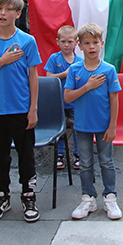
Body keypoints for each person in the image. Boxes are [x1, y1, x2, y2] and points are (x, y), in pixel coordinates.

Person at [0, 0, 42, 223]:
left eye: (8, 9)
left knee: (26, 153)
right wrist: (1, 61)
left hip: (21, 107)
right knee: (0, 154)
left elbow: (33, 77)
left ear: (18, 13)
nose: (3, 14)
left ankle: (28, 193)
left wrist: (33, 108)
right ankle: (2, 193)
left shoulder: (27, 41)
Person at [64, 23, 122, 220]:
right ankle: (88, 197)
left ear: (101, 44)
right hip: (82, 126)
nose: (91, 47)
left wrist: (112, 125)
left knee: (107, 161)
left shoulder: (109, 70)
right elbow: (68, 97)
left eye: (95, 42)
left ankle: (110, 196)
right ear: (79, 45)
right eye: (87, 43)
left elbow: (114, 98)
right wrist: (87, 87)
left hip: (104, 125)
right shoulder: (74, 70)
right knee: (86, 163)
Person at [45, 25, 82, 170]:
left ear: (76, 42)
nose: (66, 45)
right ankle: (59, 153)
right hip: (58, 100)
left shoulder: (79, 60)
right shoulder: (54, 59)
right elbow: (49, 78)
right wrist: (64, 74)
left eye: (70, 42)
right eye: (63, 41)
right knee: (59, 128)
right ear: (57, 42)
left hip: (74, 102)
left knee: (76, 127)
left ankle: (78, 154)